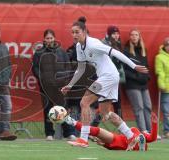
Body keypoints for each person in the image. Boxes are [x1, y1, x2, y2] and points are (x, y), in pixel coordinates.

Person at [60, 17, 148, 148]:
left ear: (84, 32)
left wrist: (133, 65)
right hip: (110, 77)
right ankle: (131, 136)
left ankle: (83, 139)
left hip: (109, 76)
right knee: (106, 113)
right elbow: (80, 69)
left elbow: (116, 52)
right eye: (72, 32)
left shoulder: (93, 43)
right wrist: (70, 85)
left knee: (84, 102)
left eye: (77, 32)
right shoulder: (79, 47)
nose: (74, 35)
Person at [32, 29, 76, 141]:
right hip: (46, 87)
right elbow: (35, 68)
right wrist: (42, 79)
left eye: (51, 38)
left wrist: (64, 81)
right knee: (47, 110)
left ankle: (69, 133)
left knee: (63, 110)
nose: (49, 40)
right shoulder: (38, 53)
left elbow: (68, 66)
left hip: (60, 87)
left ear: (54, 38)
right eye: (47, 38)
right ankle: (49, 134)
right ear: (44, 39)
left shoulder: (61, 52)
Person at [63, 112, 158, 151]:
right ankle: (71, 121)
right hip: (119, 141)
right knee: (96, 130)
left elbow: (152, 138)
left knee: (137, 134)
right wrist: (104, 144)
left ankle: (136, 142)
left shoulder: (135, 131)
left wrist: (154, 124)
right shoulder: (127, 133)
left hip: (124, 141)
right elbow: (152, 138)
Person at [123, 29, 152, 133]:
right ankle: (143, 130)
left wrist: (147, 77)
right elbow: (124, 70)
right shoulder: (126, 51)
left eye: (136, 35)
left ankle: (150, 131)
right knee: (139, 107)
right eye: (132, 35)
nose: (134, 37)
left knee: (148, 106)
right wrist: (136, 77)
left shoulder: (143, 51)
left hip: (143, 84)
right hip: (132, 84)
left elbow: (146, 67)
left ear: (139, 37)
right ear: (130, 37)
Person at [101, 25, 125, 118]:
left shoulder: (117, 44)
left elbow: (119, 63)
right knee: (101, 105)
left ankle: (123, 130)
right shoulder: (103, 44)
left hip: (114, 79)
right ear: (108, 34)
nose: (116, 35)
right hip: (105, 79)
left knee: (117, 104)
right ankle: (91, 128)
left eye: (117, 33)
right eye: (114, 33)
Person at [155, 37, 169, 139]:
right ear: (164, 46)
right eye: (167, 45)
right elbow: (160, 72)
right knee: (167, 111)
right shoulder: (159, 57)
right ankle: (167, 130)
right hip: (166, 88)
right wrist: (162, 85)